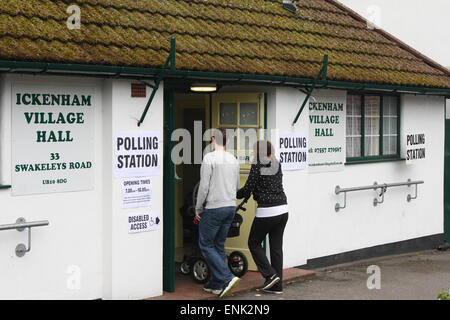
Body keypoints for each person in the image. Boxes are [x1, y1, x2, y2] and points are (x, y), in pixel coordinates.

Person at [237, 140, 288, 294]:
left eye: (254, 151)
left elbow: (247, 189)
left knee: (253, 242)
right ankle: (277, 286)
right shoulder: (276, 163)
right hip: (283, 209)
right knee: (276, 249)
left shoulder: (258, 164)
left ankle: (270, 275)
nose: (253, 154)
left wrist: (232, 193)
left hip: (267, 211)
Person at [195, 127, 241, 298]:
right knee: (218, 245)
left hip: (214, 207)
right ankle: (216, 284)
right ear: (227, 141)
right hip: (230, 206)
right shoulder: (234, 160)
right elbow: (236, 186)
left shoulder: (209, 158)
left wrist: (198, 208)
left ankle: (227, 277)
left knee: (206, 245)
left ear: (213, 139)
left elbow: (204, 186)